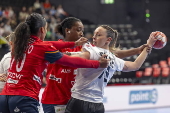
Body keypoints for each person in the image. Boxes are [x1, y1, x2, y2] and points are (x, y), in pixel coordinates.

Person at [0, 13, 108, 113]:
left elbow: (48, 43)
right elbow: (70, 61)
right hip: (24, 98)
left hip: (5, 97)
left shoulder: (20, 43)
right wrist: (97, 64)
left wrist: (73, 44)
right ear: (42, 29)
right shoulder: (42, 47)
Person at [41, 17, 151, 113]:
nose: (82, 33)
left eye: (82, 30)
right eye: (79, 30)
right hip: (54, 100)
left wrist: (137, 50)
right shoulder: (55, 47)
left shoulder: (86, 48)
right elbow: (114, 56)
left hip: (74, 99)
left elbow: (110, 54)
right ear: (67, 30)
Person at [65, 25, 158, 113]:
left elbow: (80, 56)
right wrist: (149, 45)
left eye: (98, 35)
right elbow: (135, 65)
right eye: (94, 34)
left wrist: (60, 55)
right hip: (98, 106)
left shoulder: (92, 51)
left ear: (108, 40)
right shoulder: (113, 59)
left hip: (79, 102)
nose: (94, 37)